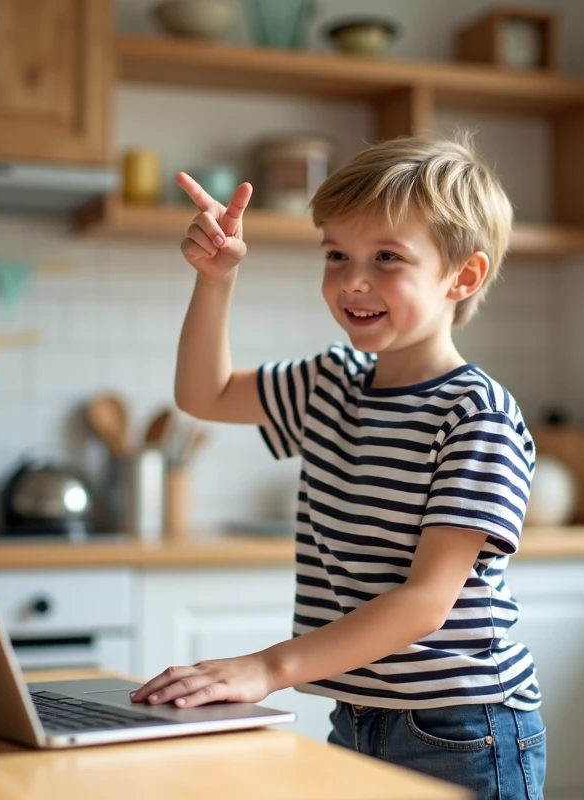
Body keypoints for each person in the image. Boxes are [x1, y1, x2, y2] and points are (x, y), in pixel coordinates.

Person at [130, 136, 545, 800]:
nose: (353, 281)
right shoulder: (330, 382)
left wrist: (268, 668)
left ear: (461, 277)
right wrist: (217, 278)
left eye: (387, 258)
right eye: (337, 255)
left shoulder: (476, 413)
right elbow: (201, 394)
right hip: (357, 714)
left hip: (465, 728)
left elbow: (424, 605)